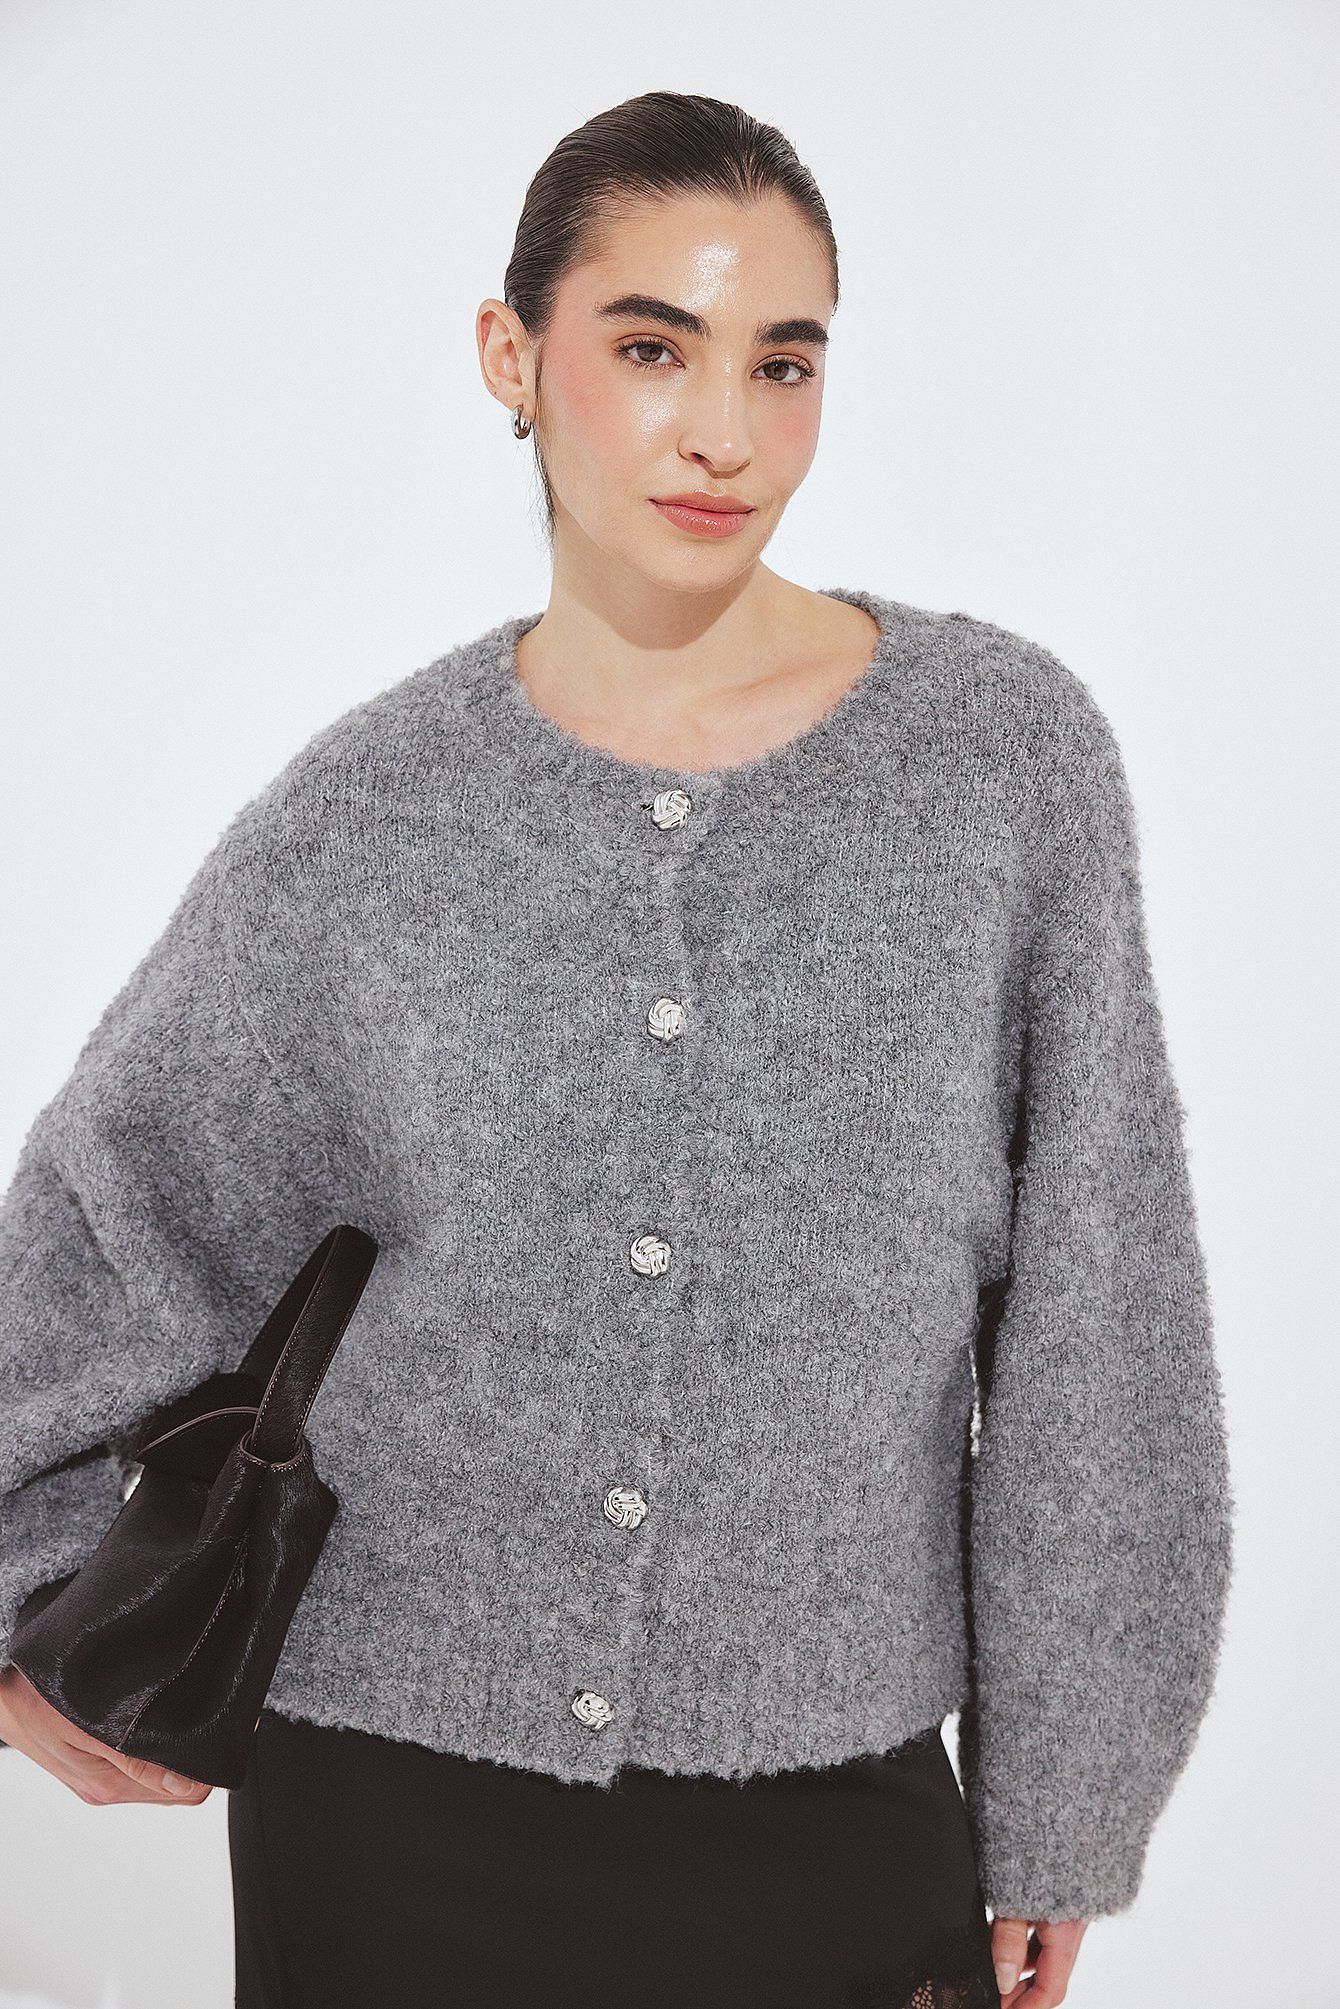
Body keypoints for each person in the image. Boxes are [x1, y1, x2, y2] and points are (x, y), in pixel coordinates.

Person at [0, 91, 1234, 2009]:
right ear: (513, 358)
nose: (725, 429)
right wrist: (15, 1609)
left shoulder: (1001, 767)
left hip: (835, 1806)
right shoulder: (370, 816)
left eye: (783, 362)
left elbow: (1100, 1309)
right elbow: (111, 1226)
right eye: (654, 348)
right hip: (390, 1815)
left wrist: (1069, 1792)